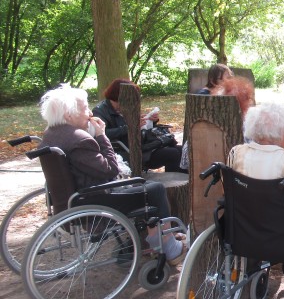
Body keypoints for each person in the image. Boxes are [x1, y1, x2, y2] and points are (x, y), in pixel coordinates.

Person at [39, 84, 185, 263]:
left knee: (142, 185)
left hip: (74, 199)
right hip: (96, 199)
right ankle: (167, 245)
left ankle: (153, 238)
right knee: (155, 189)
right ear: (68, 114)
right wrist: (101, 136)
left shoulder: (50, 134)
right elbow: (110, 169)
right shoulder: (79, 139)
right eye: (85, 108)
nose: (89, 113)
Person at [93, 78, 184, 173]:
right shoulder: (100, 111)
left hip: (142, 144)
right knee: (172, 154)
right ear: (121, 96)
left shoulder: (127, 107)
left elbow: (138, 127)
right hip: (126, 150)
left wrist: (150, 121)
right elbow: (103, 133)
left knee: (181, 150)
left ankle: (186, 183)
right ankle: (174, 182)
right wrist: (130, 127)